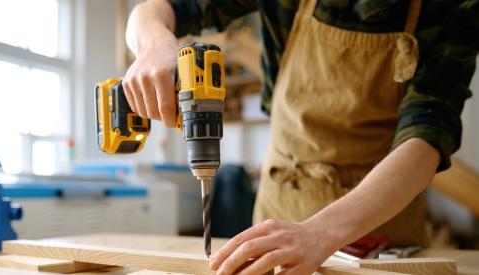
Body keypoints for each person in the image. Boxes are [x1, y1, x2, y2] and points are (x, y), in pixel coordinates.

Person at [123, 0, 478, 274]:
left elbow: (427, 139)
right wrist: (154, 43)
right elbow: (154, 9)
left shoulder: (450, 7)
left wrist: (322, 232)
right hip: (283, 200)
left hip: (379, 220)